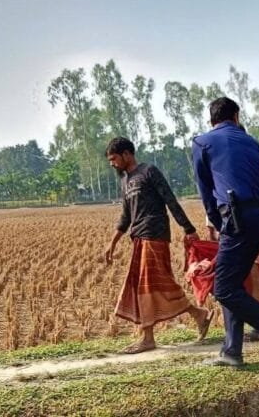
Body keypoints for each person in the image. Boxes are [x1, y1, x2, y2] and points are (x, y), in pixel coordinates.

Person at [192, 97, 259, 367]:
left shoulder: (202, 143)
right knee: (232, 283)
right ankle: (232, 351)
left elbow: (206, 192)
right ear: (236, 117)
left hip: (236, 220)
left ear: (211, 120)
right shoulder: (253, 143)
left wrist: (218, 221)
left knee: (223, 287)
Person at [103, 137, 213, 354]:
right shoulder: (125, 181)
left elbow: (170, 200)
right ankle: (198, 314)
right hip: (138, 239)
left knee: (150, 286)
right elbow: (126, 217)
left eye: (114, 159)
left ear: (127, 154)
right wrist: (112, 244)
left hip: (155, 235)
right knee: (156, 286)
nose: (112, 164)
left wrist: (188, 229)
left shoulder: (149, 171)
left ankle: (148, 338)